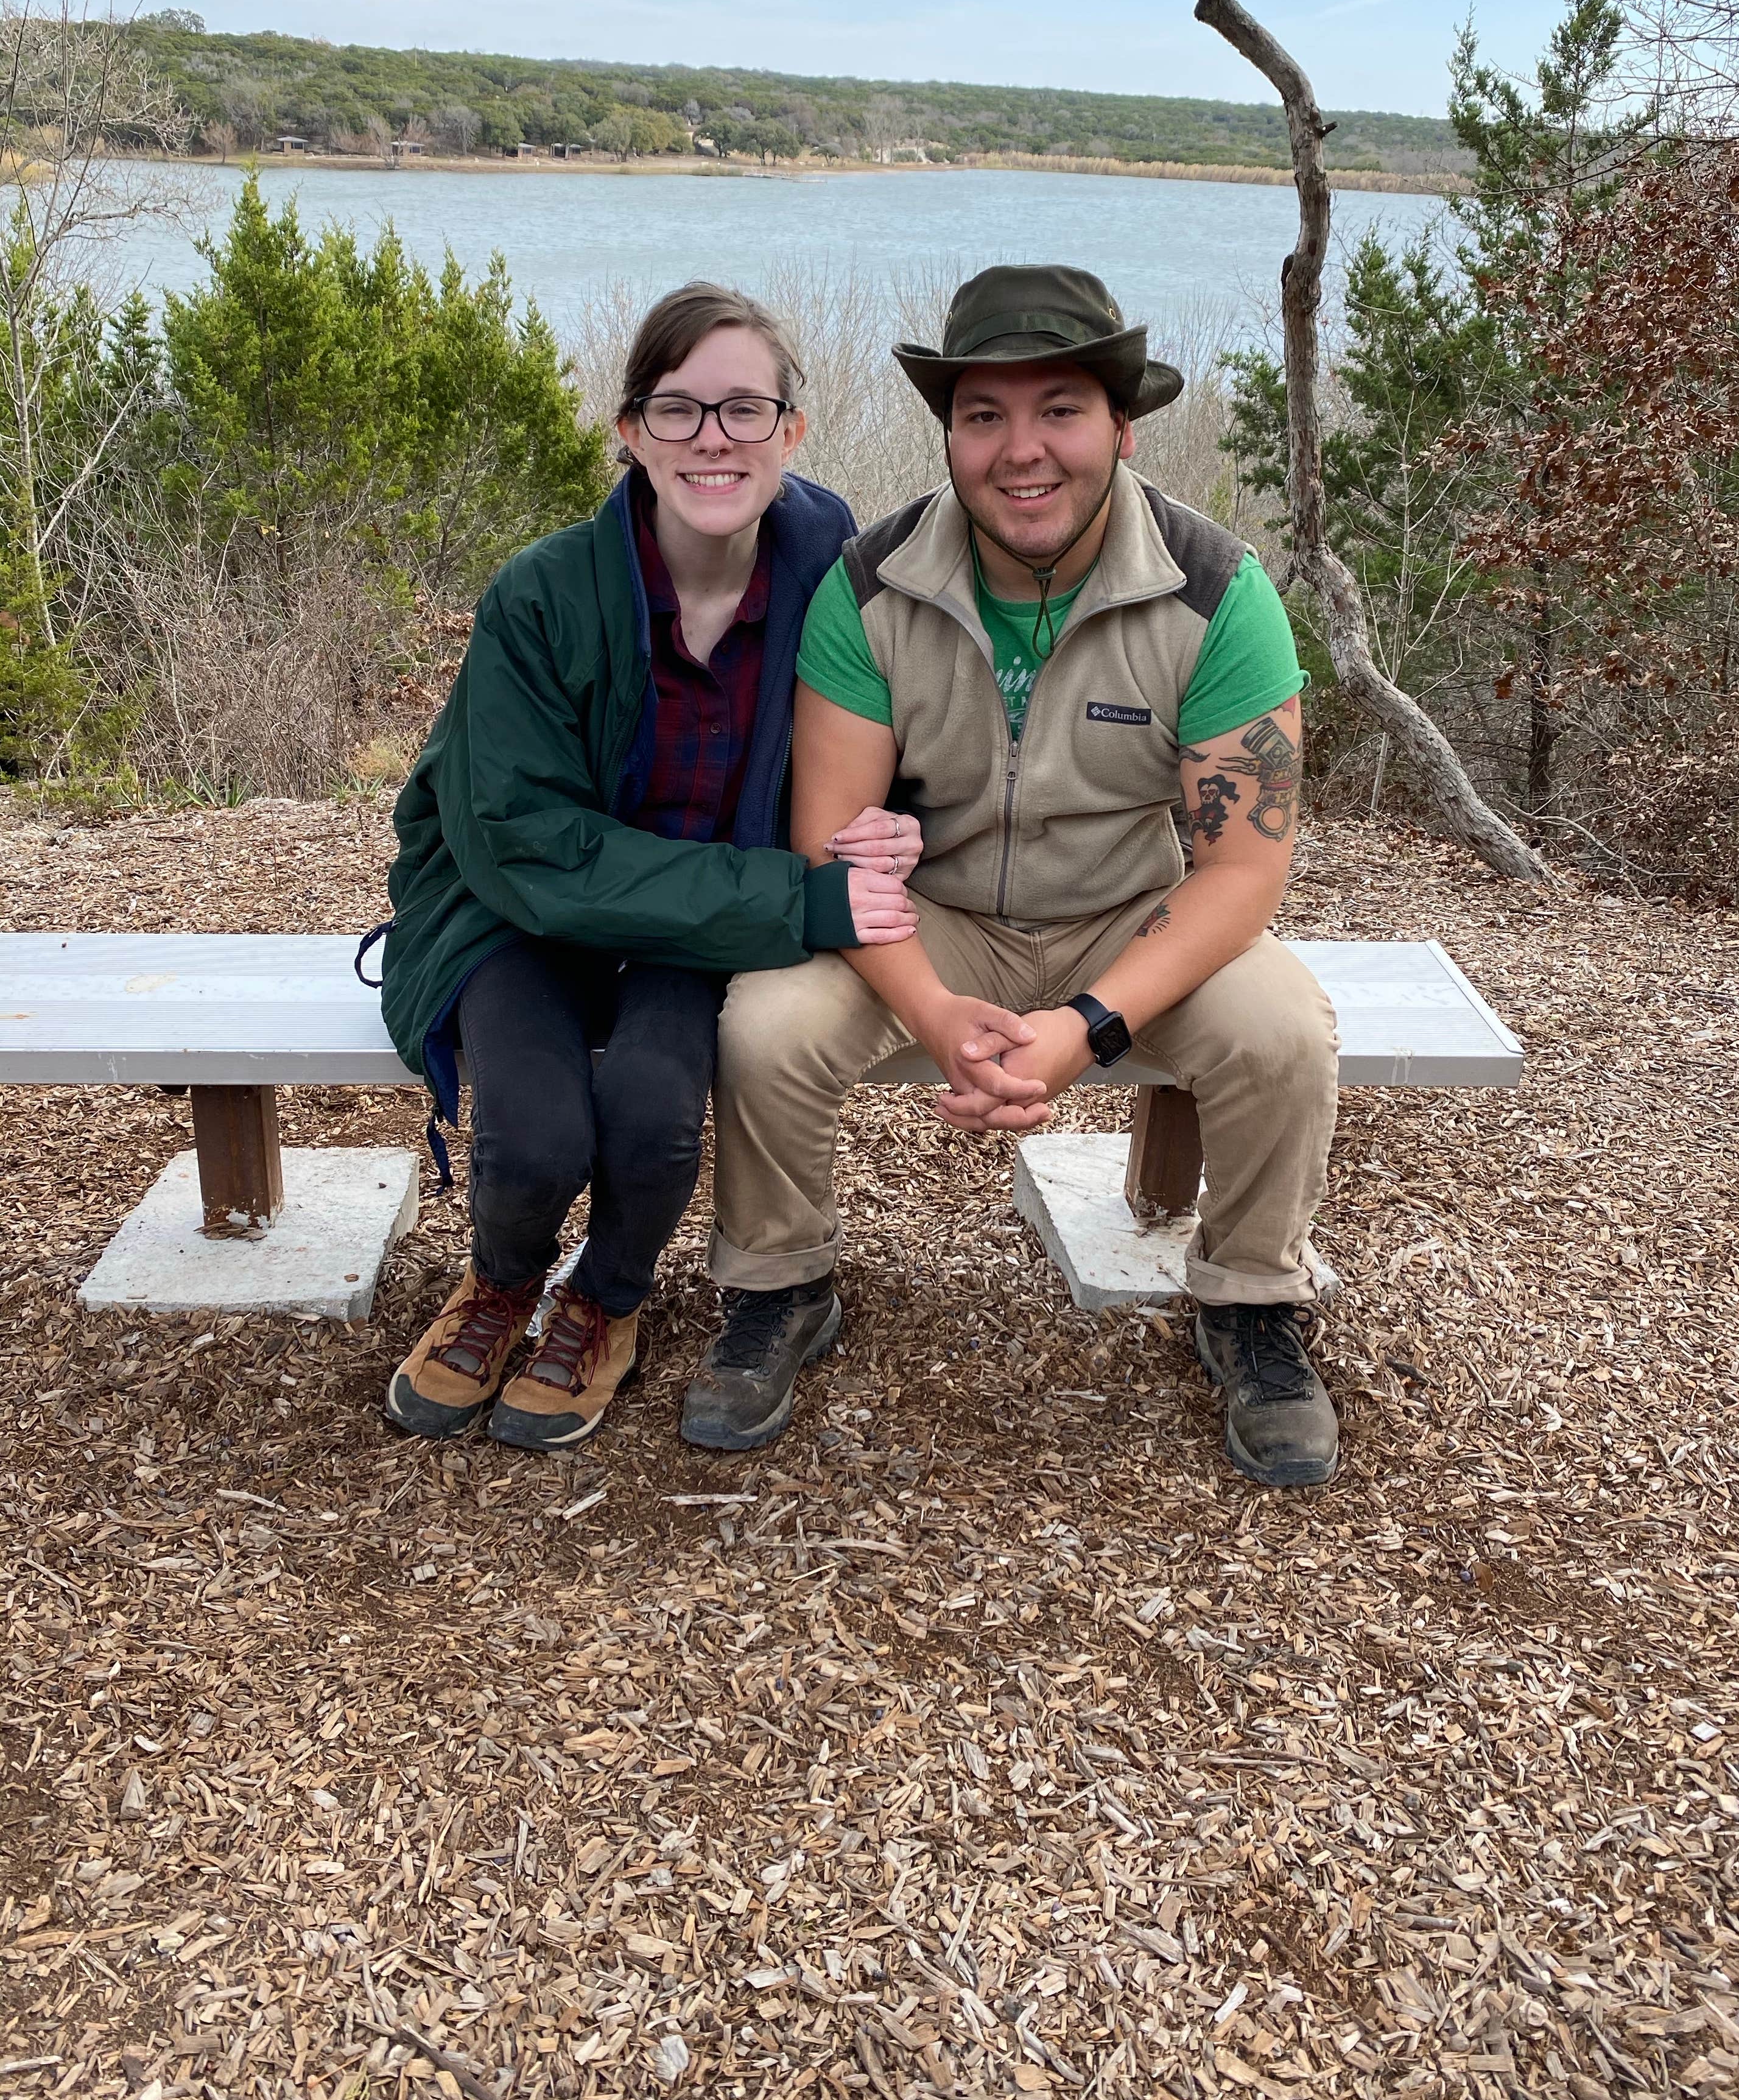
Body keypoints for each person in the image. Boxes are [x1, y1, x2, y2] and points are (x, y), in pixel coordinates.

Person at [698, 264, 1343, 1485]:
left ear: (1121, 426)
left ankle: (1251, 1302)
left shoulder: (1217, 593)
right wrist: (933, 1012)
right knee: (767, 1020)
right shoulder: (873, 586)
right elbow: (831, 848)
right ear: (949, 434)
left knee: (1281, 1027)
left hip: (1127, 915)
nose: (1021, 450)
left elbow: (1243, 871)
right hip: (928, 916)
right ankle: (781, 1286)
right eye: (983, 416)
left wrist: (1085, 1028)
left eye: (1061, 409)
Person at [376, 282, 919, 1454]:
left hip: (699, 926)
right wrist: (796, 902)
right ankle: (501, 1285)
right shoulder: (541, 595)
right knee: (531, 1135)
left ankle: (604, 1303)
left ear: (793, 430)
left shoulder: (842, 590)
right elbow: (522, 843)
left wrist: (897, 825)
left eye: (744, 409)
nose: (712, 439)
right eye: (678, 410)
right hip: (514, 913)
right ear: (630, 432)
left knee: (654, 1113)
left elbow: (904, 737)